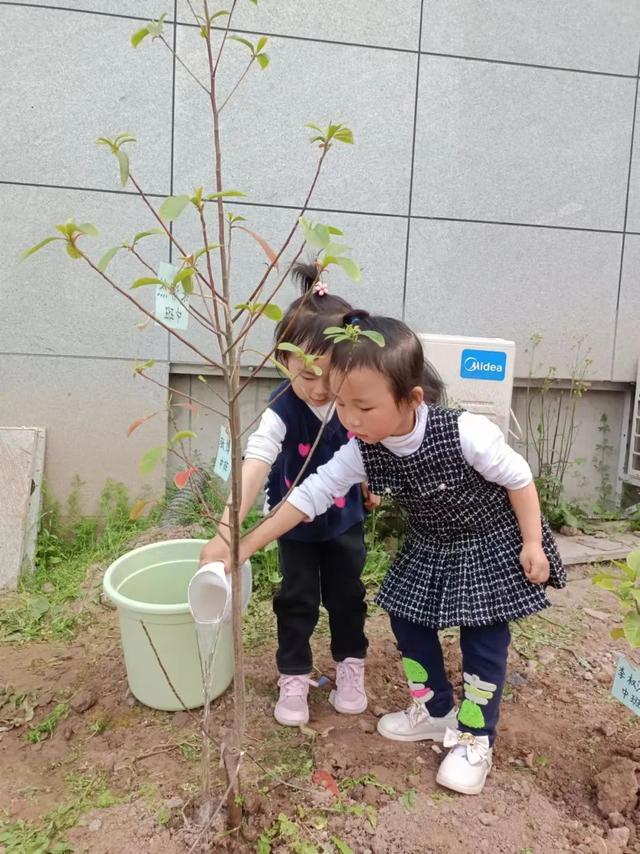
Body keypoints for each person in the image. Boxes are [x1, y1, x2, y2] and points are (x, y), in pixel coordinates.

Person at [201, 310, 565, 795]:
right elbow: (307, 497)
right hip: (432, 544)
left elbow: (519, 479)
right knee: (406, 620)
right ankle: (434, 709)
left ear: (410, 398)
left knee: (483, 638)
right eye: (342, 404)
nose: (348, 419)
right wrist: (240, 546)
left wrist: (533, 542)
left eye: (363, 407)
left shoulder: (466, 433)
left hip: (488, 543)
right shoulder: (361, 447)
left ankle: (476, 737)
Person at [201, 265, 372, 727]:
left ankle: (350, 666)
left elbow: (367, 451)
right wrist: (226, 531)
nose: (319, 388)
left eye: (331, 374)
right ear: (283, 361)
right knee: (296, 599)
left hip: (344, 523)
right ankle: (294, 675)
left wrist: (367, 488)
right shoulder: (281, 408)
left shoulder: (351, 402)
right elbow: (256, 463)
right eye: (306, 374)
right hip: (291, 528)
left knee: (348, 596)